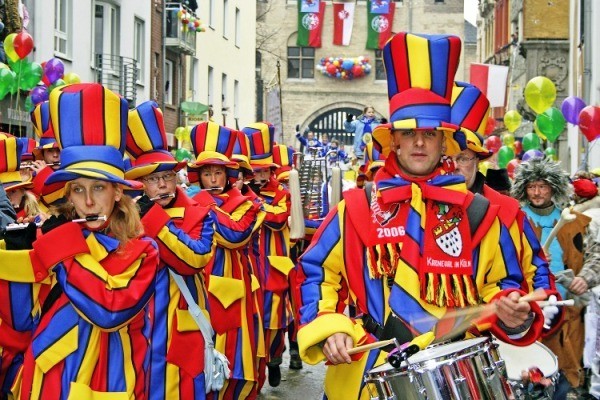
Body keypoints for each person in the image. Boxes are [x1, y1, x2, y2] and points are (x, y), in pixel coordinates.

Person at [295, 33, 542, 400]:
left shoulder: (481, 213)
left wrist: (512, 311)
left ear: (447, 142)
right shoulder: (356, 207)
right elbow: (316, 274)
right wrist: (331, 327)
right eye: (409, 134)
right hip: (367, 375)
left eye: (430, 133)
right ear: (393, 140)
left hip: (454, 378)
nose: (420, 143)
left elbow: (504, 284)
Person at [0, 83, 160, 399]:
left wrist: (60, 247)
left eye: (98, 188)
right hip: (46, 380)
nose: (87, 201)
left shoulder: (144, 250)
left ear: (118, 192)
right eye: (77, 189)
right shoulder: (53, 234)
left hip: (107, 382)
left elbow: (110, 311)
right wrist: (15, 259)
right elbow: (20, 321)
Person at [125, 101, 216, 399]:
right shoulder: (122, 220)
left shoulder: (199, 212)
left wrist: (153, 219)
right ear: (139, 184)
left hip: (180, 337)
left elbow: (195, 259)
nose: (163, 185)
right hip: (135, 333)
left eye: (167, 177)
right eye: (153, 179)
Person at [512, 157, 600, 396]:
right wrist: (529, 262)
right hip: (529, 310)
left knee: (567, 370)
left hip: (569, 309)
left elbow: (595, 255)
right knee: (531, 370)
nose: (537, 192)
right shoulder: (514, 221)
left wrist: (586, 277)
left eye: (542, 186)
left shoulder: (576, 221)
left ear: (553, 187)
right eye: (531, 187)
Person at [189, 121, 265, 400]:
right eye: (206, 173)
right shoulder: (189, 201)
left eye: (217, 173)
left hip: (233, 290)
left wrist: (204, 206)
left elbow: (236, 234)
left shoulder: (249, 204)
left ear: (227, 175)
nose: (212, 179)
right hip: (195, 286)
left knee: (235, 355)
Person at [242, 122, 294, 390]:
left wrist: (253, 199)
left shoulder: (281, 193)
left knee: (274, 324)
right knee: (252, 325)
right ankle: (256, 375)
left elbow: (276, 219)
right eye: (255, 171)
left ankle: (275, 360)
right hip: (249, 269)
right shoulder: (243, 193)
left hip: (274, 269)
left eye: (263, 171)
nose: (259, 176)